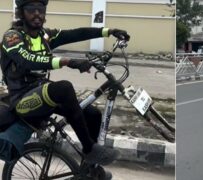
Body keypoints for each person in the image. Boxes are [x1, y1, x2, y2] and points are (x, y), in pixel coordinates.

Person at [0, 0, 130, 178]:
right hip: (22, 101)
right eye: (31, 9)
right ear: (21, 13)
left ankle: (90, 170)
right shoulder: (12, 37)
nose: (37, 14)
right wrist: (66, 61)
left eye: (41, 9)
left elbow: (75, 34)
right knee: (64, 88)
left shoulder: (44, 36)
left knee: (92, 114)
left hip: (41, 94)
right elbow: (26, 59)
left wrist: (109, 31)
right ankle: (89, 149)